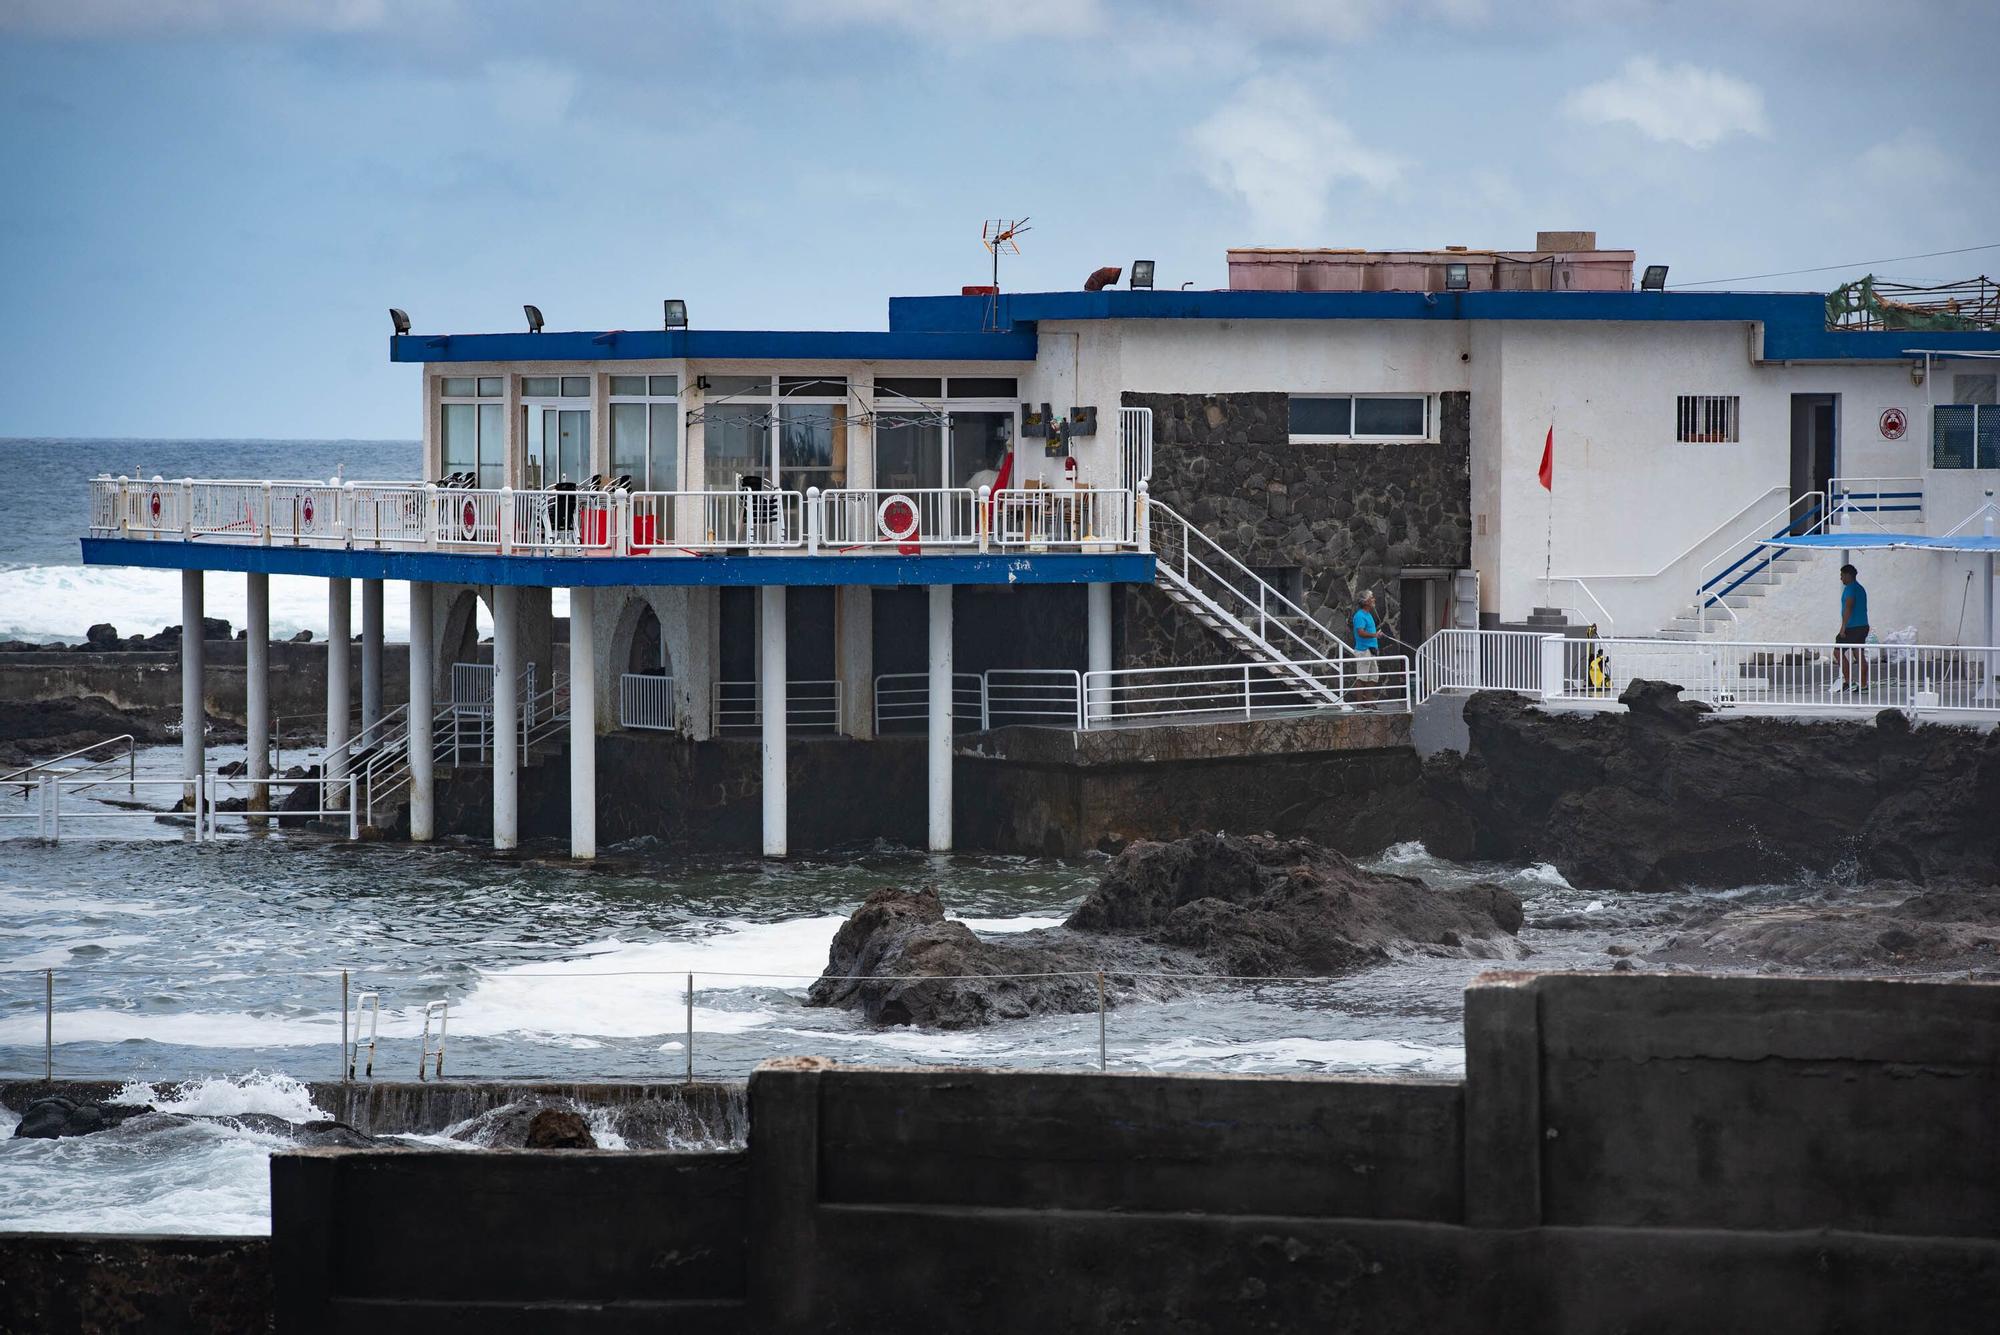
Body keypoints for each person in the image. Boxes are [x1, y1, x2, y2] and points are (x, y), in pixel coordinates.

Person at [1835, 563, 1870, 693]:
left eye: (1842, 575)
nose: (1841, 578)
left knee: (1838, 651)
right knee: (1858, 653)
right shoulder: (1860, 588)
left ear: (1848, 575)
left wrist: (1843, 627)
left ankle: (1849, 681)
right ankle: (1863, 685)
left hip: (1852, 627)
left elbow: (1848, 607)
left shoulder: (1850, 588)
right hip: (1863, 625)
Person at [1351, 590, 1381, 695]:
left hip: (1371, 649)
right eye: (1371, 597)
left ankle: (1368, 702)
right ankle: (1359, 705)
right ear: (1366, 601)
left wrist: (1376, 635)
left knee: (1373, 677)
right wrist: (1375, 635)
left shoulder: (1368, 614)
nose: (1374, 599)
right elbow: (1360, 632)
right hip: (1363, 650)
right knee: (1362, 678)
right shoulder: (1359, 615)